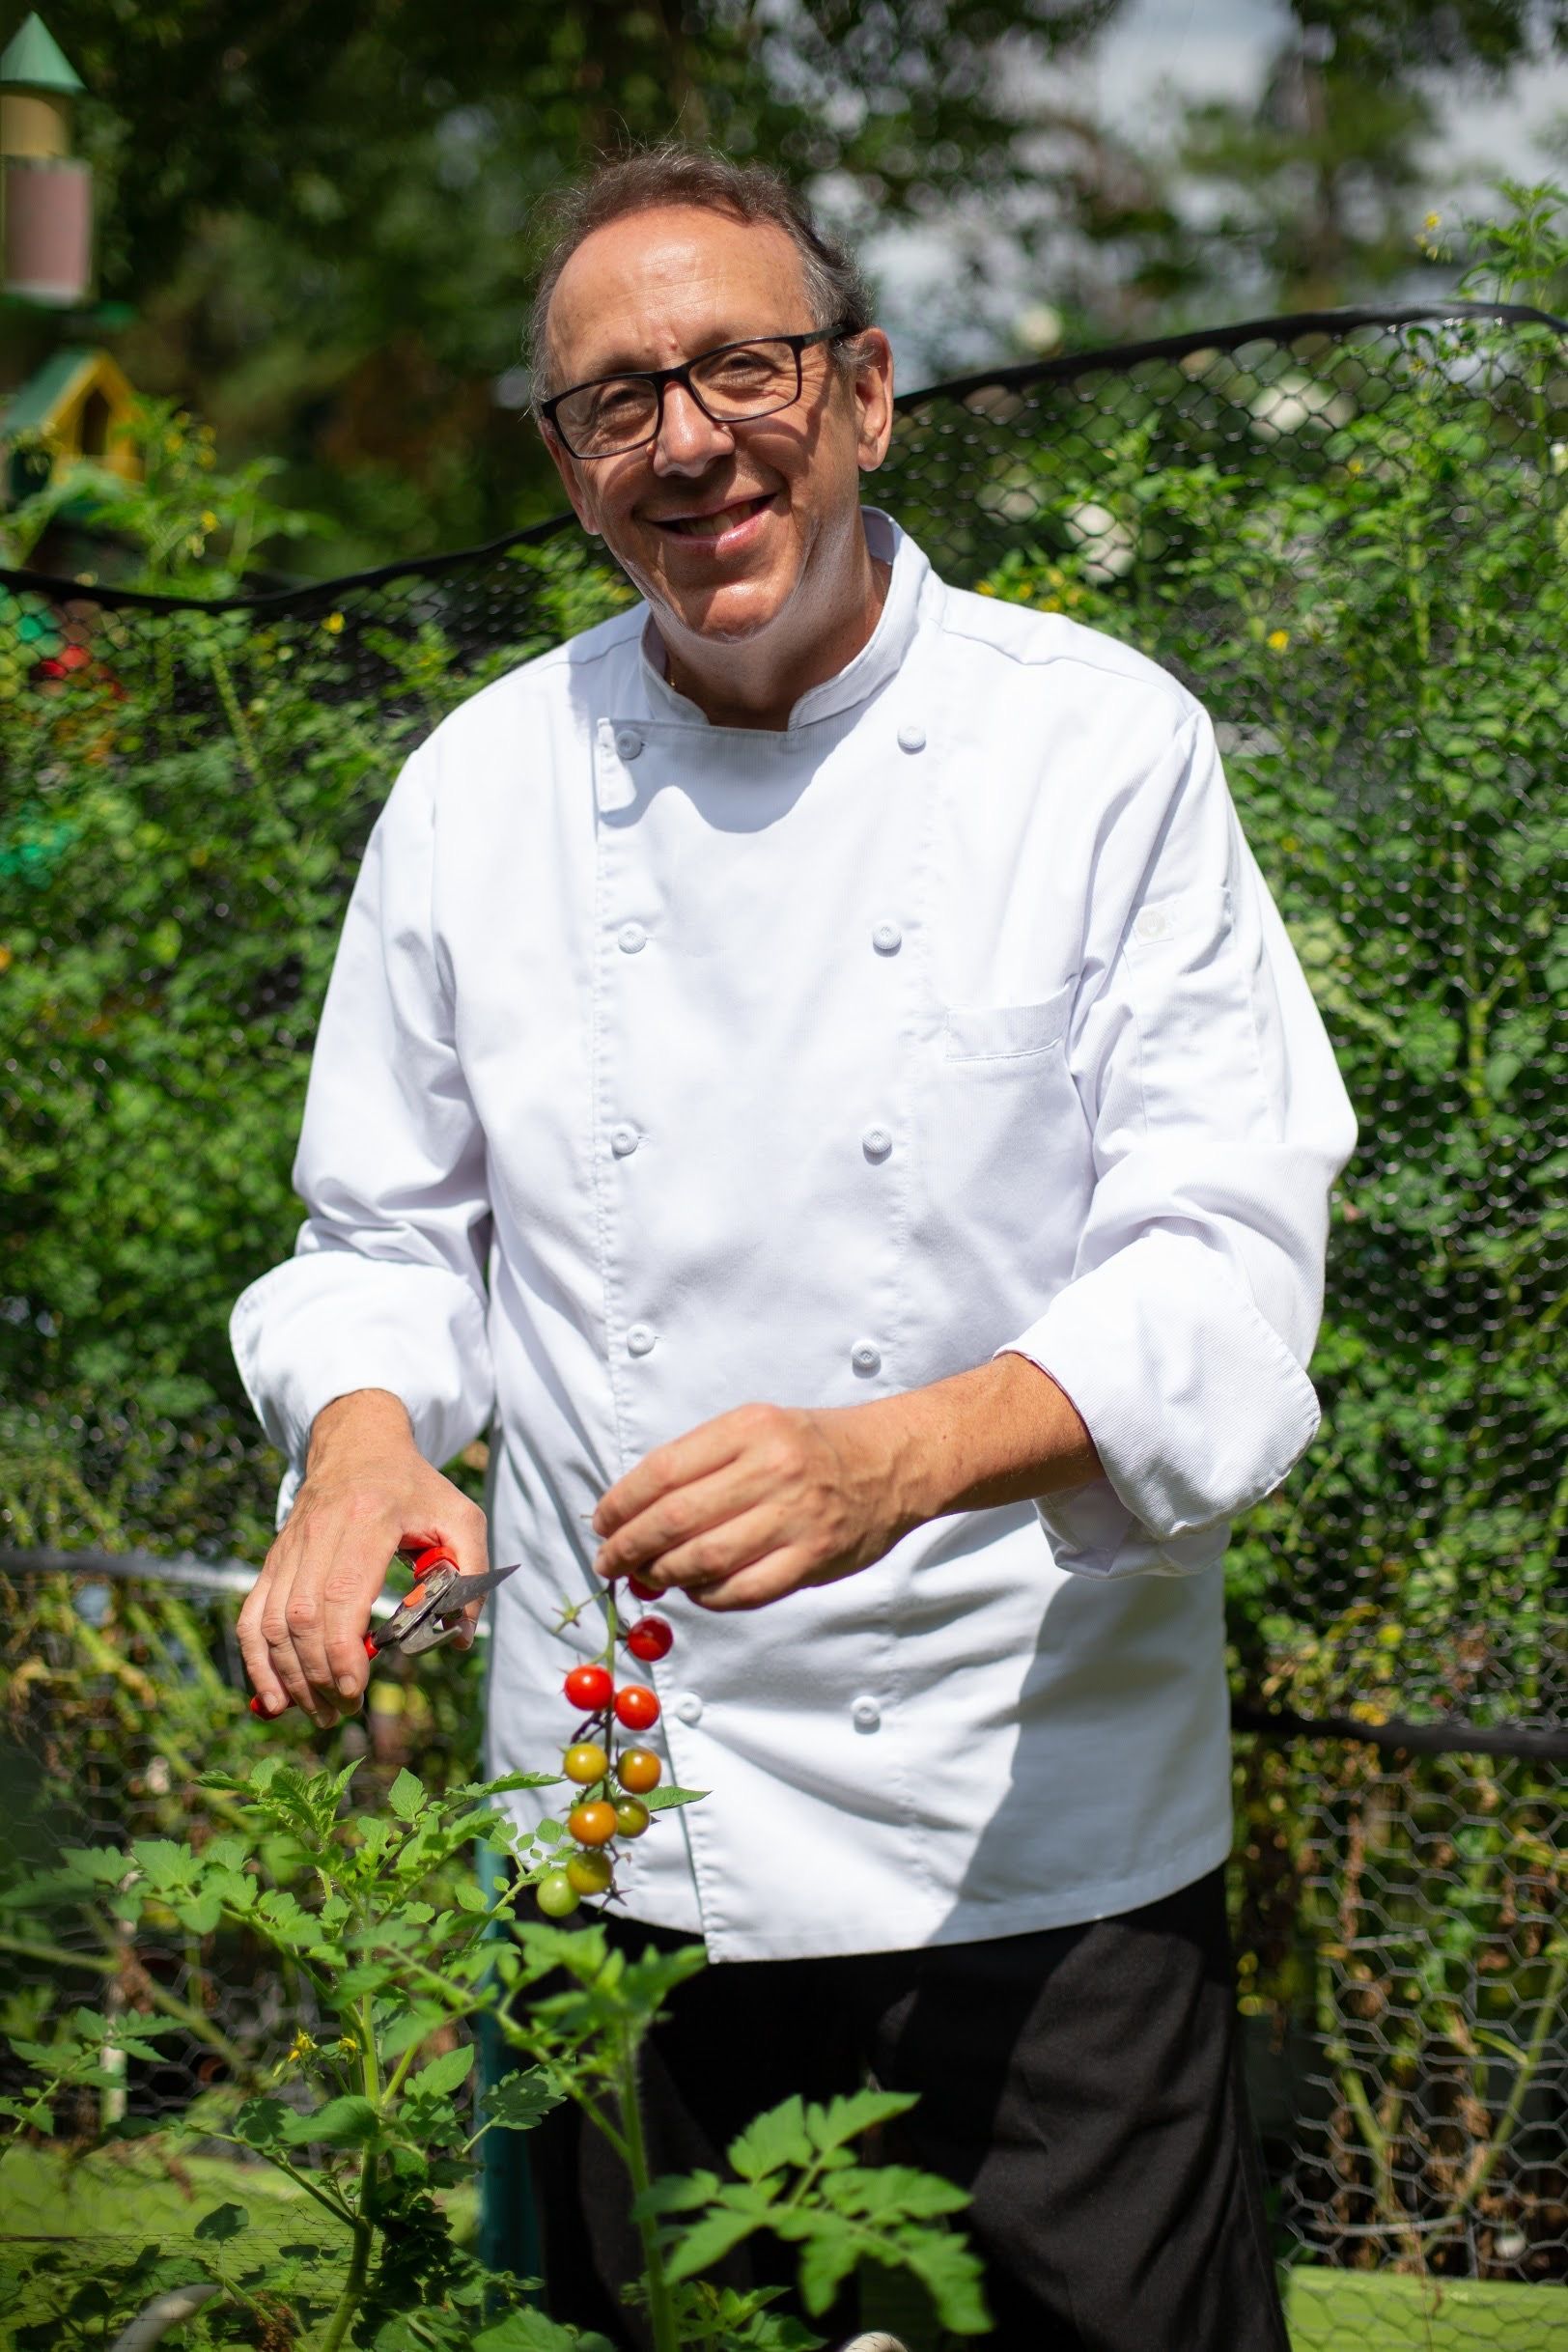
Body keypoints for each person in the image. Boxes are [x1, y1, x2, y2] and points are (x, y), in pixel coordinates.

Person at [232, 148, 1355, 2349]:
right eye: (610, 400)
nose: (684, 438)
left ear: (860, 395)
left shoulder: (1095, 751)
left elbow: (1219, 1267)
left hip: (1039, 1853)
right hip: (616, 1843)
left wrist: (894, 1459)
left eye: (737, 365)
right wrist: (361, 1443)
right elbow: (377, 1232)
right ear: (565, 467)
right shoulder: (477, 790)